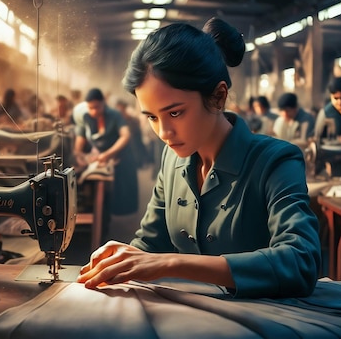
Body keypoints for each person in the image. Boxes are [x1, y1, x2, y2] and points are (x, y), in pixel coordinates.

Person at [77, 17, 321, 299]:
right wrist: (122, 258)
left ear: (218, 97)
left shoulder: (276, 162)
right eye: (152, 117)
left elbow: (301, 263)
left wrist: (172, 262)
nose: (164, 132)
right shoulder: (172, 160)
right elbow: (149, 244)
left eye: (175, 113)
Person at [74, 88, 139, 217]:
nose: (93, 111)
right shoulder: (85, 117)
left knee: (121, 198)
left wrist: (108, 154)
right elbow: (79, 143)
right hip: (100, 157)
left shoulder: (115, 115)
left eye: (97, 107)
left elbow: (125, 136)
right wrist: (79, 154)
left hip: (119, 154)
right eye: (90, 108)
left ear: (103, 103)